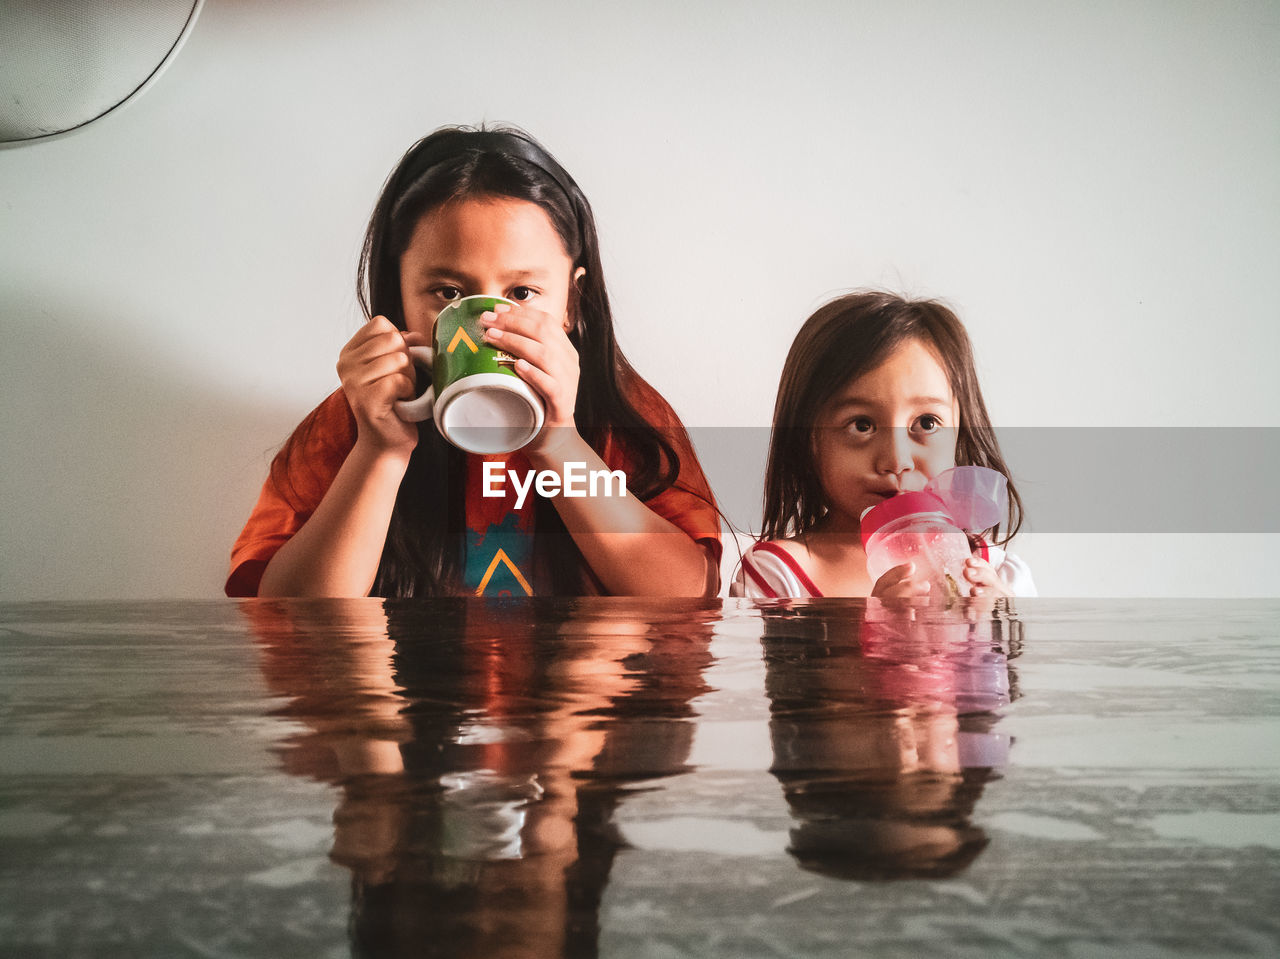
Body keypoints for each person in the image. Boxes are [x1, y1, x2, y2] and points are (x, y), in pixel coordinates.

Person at [228, 126, 720, 598]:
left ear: (571, 301)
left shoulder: (620, 414)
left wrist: (559, 443)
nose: (486, 326)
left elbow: (688, 596)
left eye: (522, 292)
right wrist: (380, 452)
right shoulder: (355, 421)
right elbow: (285, 620)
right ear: (398, 301)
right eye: (448, 293)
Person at [732, 291, 1034, 600]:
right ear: (807, 440)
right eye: (862, 425)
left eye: (927, 423)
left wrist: (1001, 620)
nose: (896, 459)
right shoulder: (777, 576)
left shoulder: (995, 570)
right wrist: (877, 628)